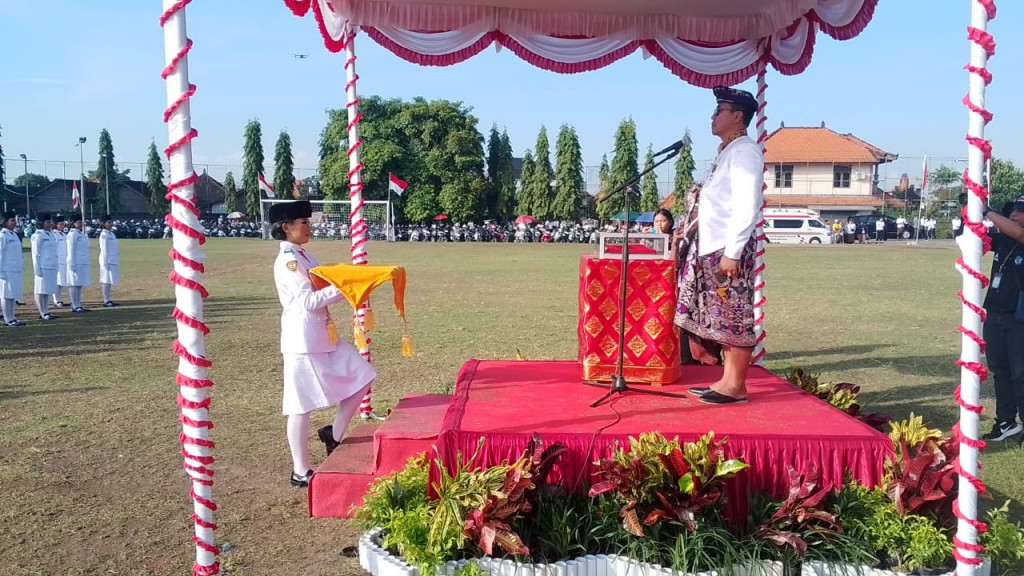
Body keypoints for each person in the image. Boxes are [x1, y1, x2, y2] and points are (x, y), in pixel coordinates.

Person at [270, 200, 377, 487]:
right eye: (303, 222)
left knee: (364, 376)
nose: (309, 226)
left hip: (323, 335)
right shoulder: (289, 261)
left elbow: (323, 284)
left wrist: (349, 279)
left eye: (308, 221)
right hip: (303, 340)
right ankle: (300, 471)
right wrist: (345, 288)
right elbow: (307, 301)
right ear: (286, 227)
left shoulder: (304, 255)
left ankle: (335, 434)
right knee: (300, 406)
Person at [674, 86, 763, 405]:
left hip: (729, 249)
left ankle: (736, 385)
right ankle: (727, 380)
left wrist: (733, 251)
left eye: (719, 111)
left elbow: (746, 204)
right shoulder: (728, 151)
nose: (712, 117)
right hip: (713, 248)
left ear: (737, 116)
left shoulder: (745, 152)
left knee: (734, 314)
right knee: (720, 313)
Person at [980, 197, 1024, 442]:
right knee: (1000, 370)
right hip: (995, 312)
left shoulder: (1018, 236)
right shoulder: (1004, 240)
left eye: (1020, 211)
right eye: (1012, 210)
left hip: (1019, 318)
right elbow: (977, 239)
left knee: (1021, 373)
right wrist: (971, 214)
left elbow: (1018, 232)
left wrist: (986, 210)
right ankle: (1006, 421)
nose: (1014, 214)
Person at [30, 213, 59, 321]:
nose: (50, 224)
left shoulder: (51, 234)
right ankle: (42, 312)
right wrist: (37, 268)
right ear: (41, 223)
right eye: (47, 222)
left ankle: (46, 311)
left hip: (51, 265)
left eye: (50, 222)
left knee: (47, 290)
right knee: (40, 290)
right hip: (42, 266)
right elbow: (35, 254)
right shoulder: (37, 235)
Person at [1, 210, 26, 326]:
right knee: (6, 295)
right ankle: (7, 318)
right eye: (12, 221)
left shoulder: (14, 234)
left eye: (15, 220)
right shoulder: (2, 235)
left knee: (12, 295)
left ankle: (12, 317)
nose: (14, 223)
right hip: (6, 269)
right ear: (5, 222)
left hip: (15, 268)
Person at [66, 214, 91, 313]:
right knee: (74, 284)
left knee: (79, 284)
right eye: (79, 222)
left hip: (82, 262)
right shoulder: (72, 235)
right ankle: (74, 305)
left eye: (82, 222)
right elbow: (71, 250)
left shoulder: (81, 234)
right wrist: (72, 263)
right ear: (73, 223)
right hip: (75, 262)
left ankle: (78, 304)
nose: (81, 224)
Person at [98, 215, 120, 307]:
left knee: (109, 280)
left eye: (111, 222)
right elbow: (104, 249)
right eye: (108, 222)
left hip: (112, 259)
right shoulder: (103, 235)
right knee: (105, 280)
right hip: (106, 260)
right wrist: (105, 262)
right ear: (104, 224)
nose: (111, 224)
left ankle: (108, 299)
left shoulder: (111, 234)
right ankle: (106, 300)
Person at [52, 215, 69, 308]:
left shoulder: (64, 234)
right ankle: (56, 300)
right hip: (57, 260)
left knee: (61, 282)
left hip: (64, 260)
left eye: (63, 224)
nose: (63, 226)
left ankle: (59, 299)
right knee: (57, 282)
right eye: (60, 224)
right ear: (56, 225)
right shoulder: (54, 235)